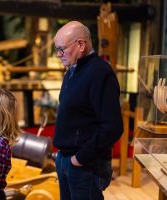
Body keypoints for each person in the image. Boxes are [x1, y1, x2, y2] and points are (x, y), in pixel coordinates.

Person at [53, 21, 123, 200]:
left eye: (62, 49)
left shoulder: (100, 73)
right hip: (66, 159)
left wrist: (79, 159)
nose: (59, 55)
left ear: (81, 44)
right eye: (57, 50)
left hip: (84, 164)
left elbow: (112, 127)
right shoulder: (72, 71)